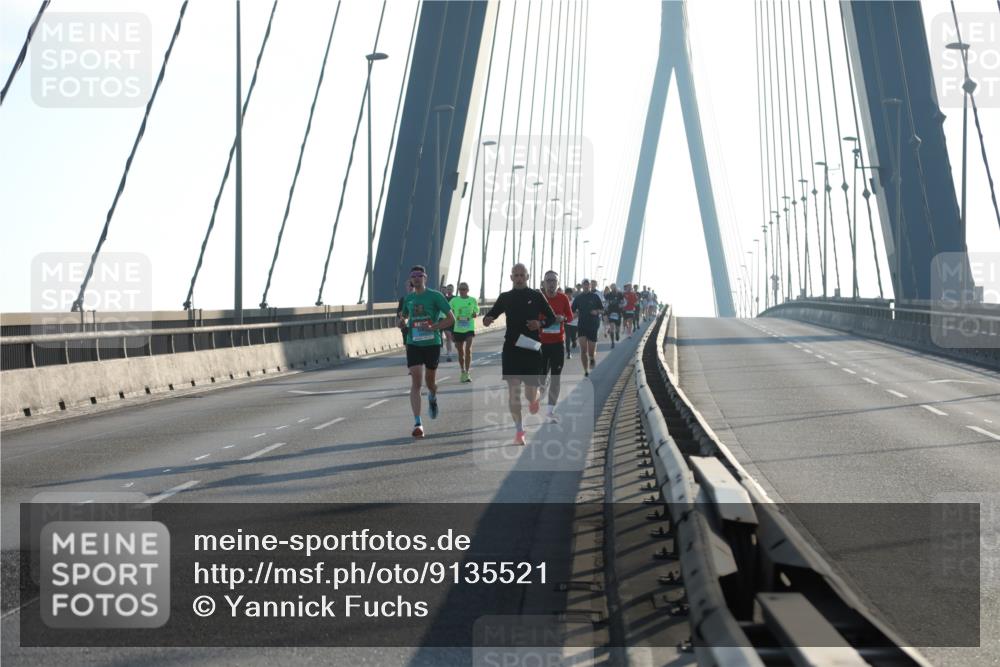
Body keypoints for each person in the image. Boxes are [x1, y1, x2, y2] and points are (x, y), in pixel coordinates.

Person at [482, 263, 557, 446]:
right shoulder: (505, 297)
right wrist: (487, 319)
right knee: (513, 391)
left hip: (531, 349)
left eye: (522, 275)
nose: (519, 278)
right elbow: (489, 316)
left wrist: (539, 324)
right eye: (516, 275)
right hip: (511, 349)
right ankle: (519, 431)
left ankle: (536, 397)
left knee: (530, 395)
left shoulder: (536, 295)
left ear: (527, 276)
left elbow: (552, 317)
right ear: (511, 277)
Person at [398, 266, 454, 438]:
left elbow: (451, 318)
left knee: (430, 382)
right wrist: (402, 322)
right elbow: (405, 317)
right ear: (410, 280)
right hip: (414, 343)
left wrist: (435, 327)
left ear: (425, 278)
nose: (416, 279)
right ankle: (418, 423)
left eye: (419, 276)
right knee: (416, 381)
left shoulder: (435, 296)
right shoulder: (409, 298)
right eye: (413, 276)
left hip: (432, 343)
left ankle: (433, 396)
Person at [539, 270, 573, 423]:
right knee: (540, 378)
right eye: (548, 280)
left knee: (556, 378)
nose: (551, 283)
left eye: (554, 280)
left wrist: (563, 318)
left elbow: (570, 317)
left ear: (557, 283)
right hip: (541, 344)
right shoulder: (538, 298)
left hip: (558, 343)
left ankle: (550, 411)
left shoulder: (563, 298)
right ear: (544, 283)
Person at [571, 278, 603, 377]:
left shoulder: (595, 297)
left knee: (591, 352)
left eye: (587, 284)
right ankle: (585, 370)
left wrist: (596, 312)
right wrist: (573, 315)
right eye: (584, 284)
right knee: (583, 350)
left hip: (593, 326)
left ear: (590, 286)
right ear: (582, 286)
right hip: (581, 326)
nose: (586, 286)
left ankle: (592, 358)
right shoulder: (578, 298)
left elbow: (602, 310)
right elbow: (572, 311)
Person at [449, 282, 479, 383]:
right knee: (460, 352)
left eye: (464, 289)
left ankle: (467, 372)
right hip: (458, 329)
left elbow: (476, 310)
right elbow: (448, 312)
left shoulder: (472, 300)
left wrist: (475, 313)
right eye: (460, 289)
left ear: (468, 290)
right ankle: (462, 371)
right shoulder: (454, 300)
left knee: (468, 350)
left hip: (469, 328)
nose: (462, 291)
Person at [604, 283, 623, 347]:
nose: (613, 288)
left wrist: (621, 305)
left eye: (614, 287)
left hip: (618, 313)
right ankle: (612, 342)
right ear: (611, 288)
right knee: (612, 327)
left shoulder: (620, 294)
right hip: (611, 313)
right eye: (612, 287)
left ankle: (617, 334)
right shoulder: (608, 295)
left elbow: (623, 301)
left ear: (616, 287)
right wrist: (606, 307)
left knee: (617, 328)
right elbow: (605, 302)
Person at [396, 280, 414, 345]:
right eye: (408, 286)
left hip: (416, 326)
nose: (410, 288)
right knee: (407, 343)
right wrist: (401, 316)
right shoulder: (403, 299)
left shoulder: (419, 298)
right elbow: (398, 311)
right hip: (405, 325)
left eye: (411, 286)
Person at [441, 284, 456, 362]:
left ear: (453, 290)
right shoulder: (443, 298)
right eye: (448, 289)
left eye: (450, 289)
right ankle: (449, 353)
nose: (449, 290)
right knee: (448, 336)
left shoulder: (456, 298)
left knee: (453, 338)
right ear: (446, 290)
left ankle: (452, 348)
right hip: (446, 319)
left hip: (455, 320)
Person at [563, 286, 577, 359]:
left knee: (573, 338)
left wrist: (573, 317)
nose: (568, 295)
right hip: (567, 323)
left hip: (575, 323)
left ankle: (574, 341)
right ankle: (568, 353)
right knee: (567, 338)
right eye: (566, 294)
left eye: (569, 293)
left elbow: (578, 312)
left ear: (572, 293)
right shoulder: (564, 301)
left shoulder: (575, 301)